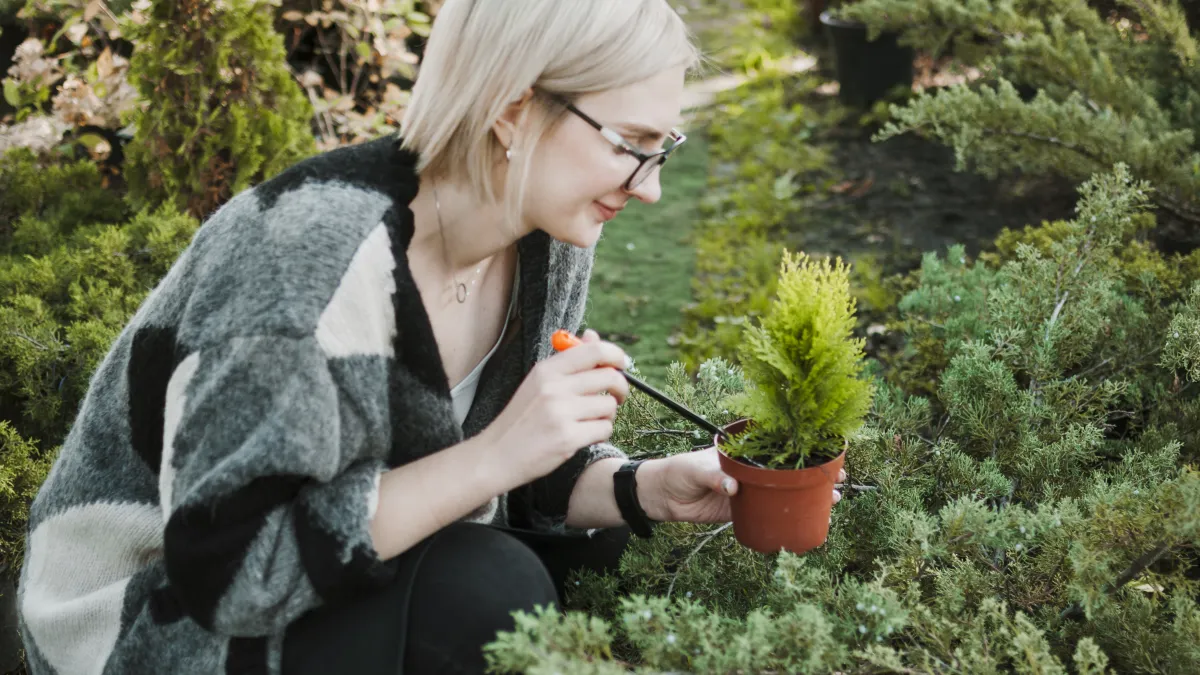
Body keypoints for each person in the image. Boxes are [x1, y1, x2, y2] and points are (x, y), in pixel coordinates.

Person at [16, 1, 844, 673]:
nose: (653, 188)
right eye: (632, 147)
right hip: (144, 611)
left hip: (330, 559)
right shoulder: (303, 259)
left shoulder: (542, 237)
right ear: (514, 111)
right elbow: (229, 571)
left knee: (610, 553)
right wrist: (493, 457)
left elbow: (512, 472)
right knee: (483, 591)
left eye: (665, 149)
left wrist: (647, 487)